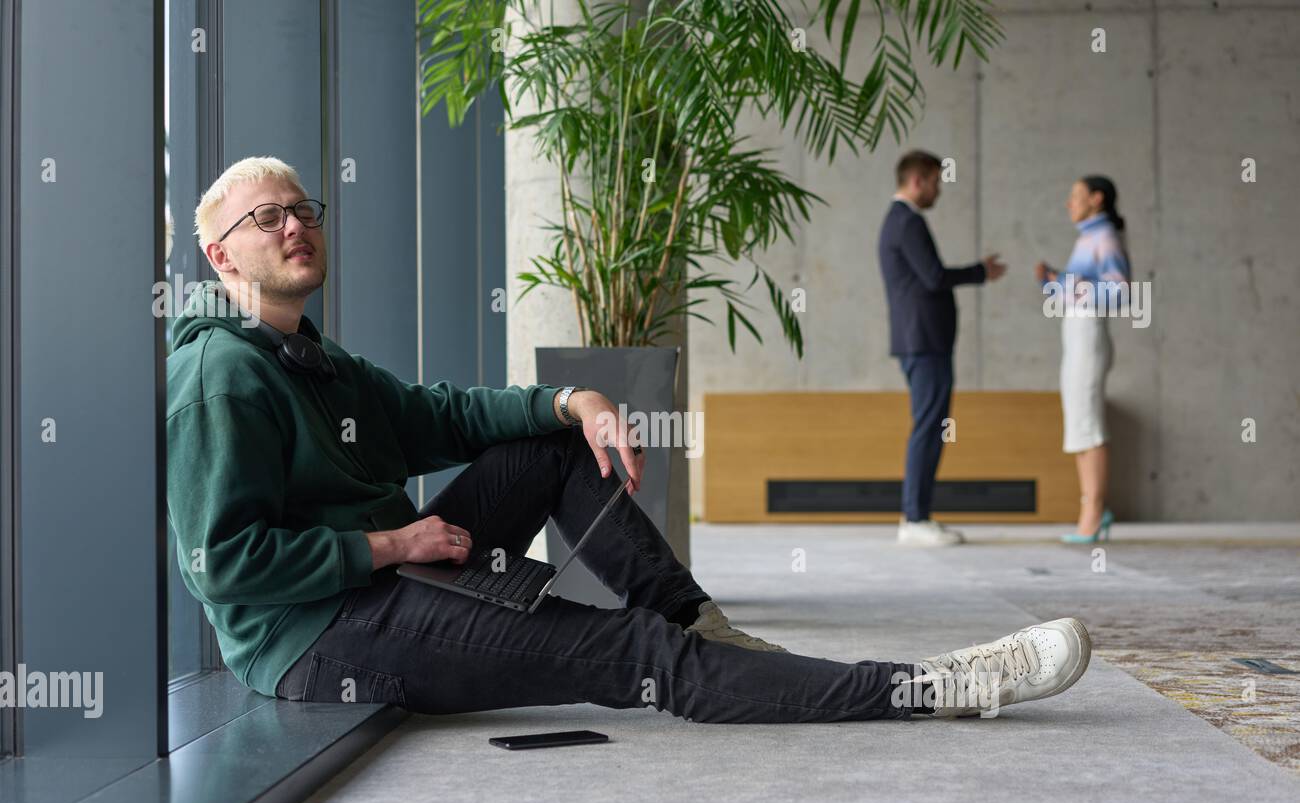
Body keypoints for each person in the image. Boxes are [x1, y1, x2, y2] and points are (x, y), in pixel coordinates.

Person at [166, 155, 1091, 723]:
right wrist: (388, 543)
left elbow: (441, 415)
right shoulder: (223, 375)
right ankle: (929, 686)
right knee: (635, 660)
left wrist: (577, 398)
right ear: (219, 256)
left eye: (305, 210)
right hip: (319, 638)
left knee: (554, 446)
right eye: (267, 218)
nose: (296, 226)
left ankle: (706, 628)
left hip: (392, 576)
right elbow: (224, 562)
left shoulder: (313, 359)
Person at [878, 150, 1006, 546]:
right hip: (924, 341)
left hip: (921, 341)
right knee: (928, 428)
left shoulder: (897, 221)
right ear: (917, 180)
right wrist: (980, 272)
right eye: (935, 182)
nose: (938, 191)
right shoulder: (907, 222)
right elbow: (933, 277)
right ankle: (915, 519)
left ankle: (917, 516)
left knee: (930, 426)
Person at [1035, 175, 1130, 543]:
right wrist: (1053, 281)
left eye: (1075, 196)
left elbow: (1120, 290)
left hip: (1089, 336)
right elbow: (1077, 291)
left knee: (1088, 423)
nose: (1068, 203)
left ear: (1096, 198)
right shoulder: (1087, 238)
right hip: (1076, 334)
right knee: (1078, 423)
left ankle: (1094, 511)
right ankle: (1090, 508)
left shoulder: (1103, 237)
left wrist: (1064, 283)